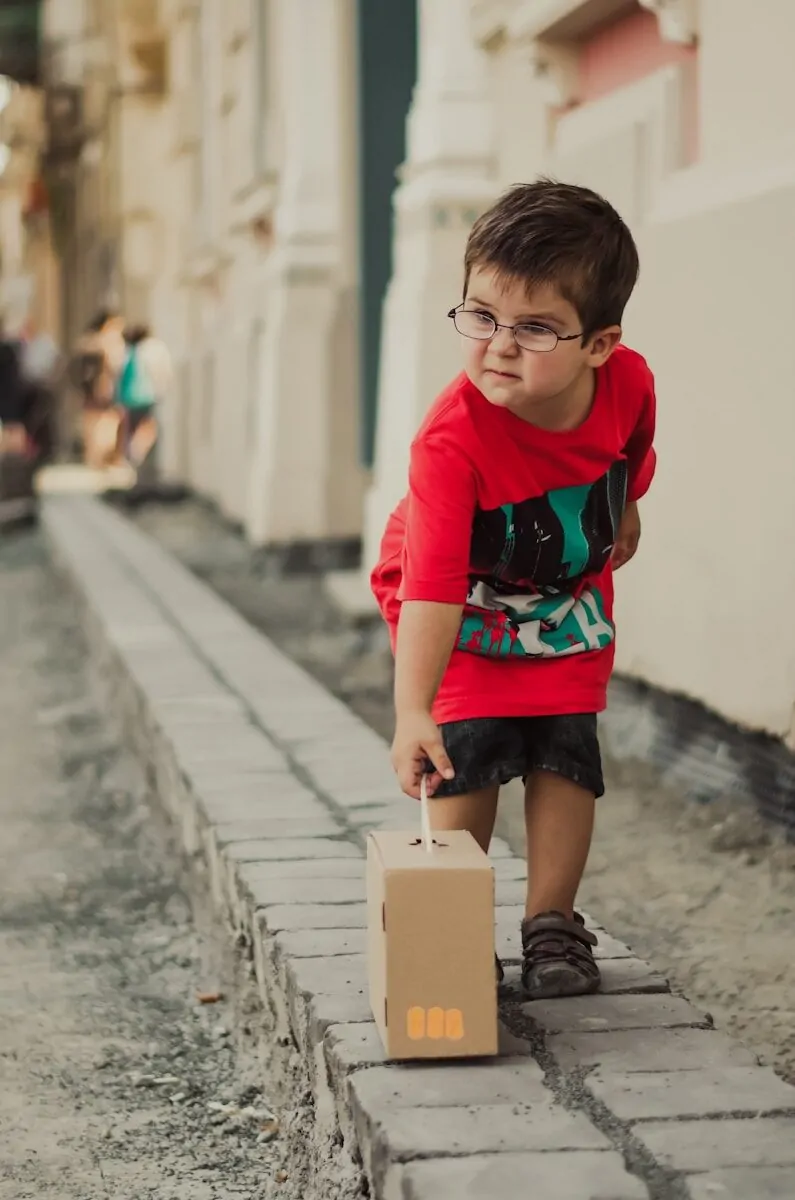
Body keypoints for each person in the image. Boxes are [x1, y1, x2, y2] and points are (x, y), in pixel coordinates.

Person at [371, 180, 656, 1000]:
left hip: (563, 595)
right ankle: (452, 924)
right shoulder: (450, 441)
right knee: (465, 756)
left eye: (533, 328)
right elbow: (429, 585)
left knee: (567, 749)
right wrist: (413, 711)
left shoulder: (627, 383)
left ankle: (552, 926)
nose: (498, 345)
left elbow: (632, 443)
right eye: (480, 316)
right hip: (452, 603)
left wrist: (626, 502)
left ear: (598, 344)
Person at [71, 308, 126, 469]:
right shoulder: (104, 342)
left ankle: (97, 458)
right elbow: (115, 363)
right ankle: (98, 458)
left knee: (100, 422)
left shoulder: (88, 341)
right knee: (102, 422)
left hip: (97, 388)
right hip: (102, 387)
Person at [115, 323, 173, 472]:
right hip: (146, 396)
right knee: (148, 428)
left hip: (129, 398)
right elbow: (161, 372)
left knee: (134, 427)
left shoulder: (128, 352)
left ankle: (133, 453)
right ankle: (136, 451)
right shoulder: (151, 349)